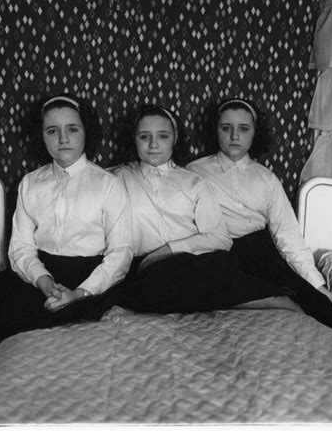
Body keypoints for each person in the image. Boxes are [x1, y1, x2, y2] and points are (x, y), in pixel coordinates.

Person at [0, 94, 133, 385]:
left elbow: (120, 253)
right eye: (52, 131)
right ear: (41, 136)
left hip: (88, 279)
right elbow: (20, 247)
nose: (63, 138)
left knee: (56, 320)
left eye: (72, 129)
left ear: (87, 132)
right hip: (37, 275)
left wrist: (79, 294)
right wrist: (43, 281)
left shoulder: (109, 185)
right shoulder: (31, 182)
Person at [108, 105, 296, 315]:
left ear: (175, 139)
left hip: (194, 263)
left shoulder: (194, 181)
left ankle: (272, 297)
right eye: (144, 137)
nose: (153, 145)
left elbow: (220, 238)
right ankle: (256, 299)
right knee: (149, 289)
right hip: (145, 270)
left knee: (220, 264)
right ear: (133, 139)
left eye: (163, 136)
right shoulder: (118, 179)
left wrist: (167, 250)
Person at [187, 98, 332, 333]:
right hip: (217, 255)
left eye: (244, 129)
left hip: (260, 254)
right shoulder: (195, 171)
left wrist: (318, 285)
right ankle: (267, 300)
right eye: (226, 128)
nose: (235, 136)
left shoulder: (266, 178)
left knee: (325, 312)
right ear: (215, 130)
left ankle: (277, 299)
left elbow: (288, 235)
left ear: (254, 133)